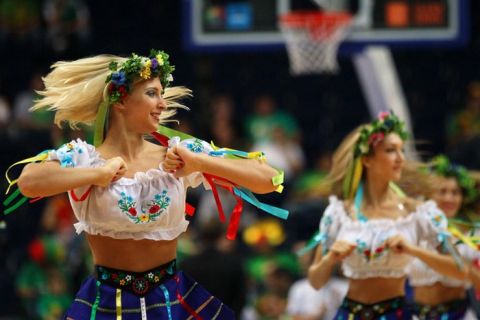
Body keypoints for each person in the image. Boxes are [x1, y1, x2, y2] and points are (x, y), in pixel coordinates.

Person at [12, 49, 283, 319]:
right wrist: (97, 175)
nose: (163, 104)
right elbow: (28, 182)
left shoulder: (179, 153)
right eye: (152, 93)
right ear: (120, 100)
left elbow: (269, 179)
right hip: (107, 303)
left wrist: (201, 163)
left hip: (173, 301)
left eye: (162, 94)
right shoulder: (84, 157)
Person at [307, 112, 475, 319]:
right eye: (390, 151)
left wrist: (414, 250)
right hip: (348, 314)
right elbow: (315, 281)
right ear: (367, 159)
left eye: (401, 151)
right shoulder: (338, 213)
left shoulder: (418, 213)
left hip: (396, 314)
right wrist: (330, 258)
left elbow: (461, 270)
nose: (401, 159)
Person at [409, 155, 480, 319]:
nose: (449, 198)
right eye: (442, 191)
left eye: (455, 193)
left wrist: (467, 270)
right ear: (428, 195)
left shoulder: (472, 236)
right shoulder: (414, 230)